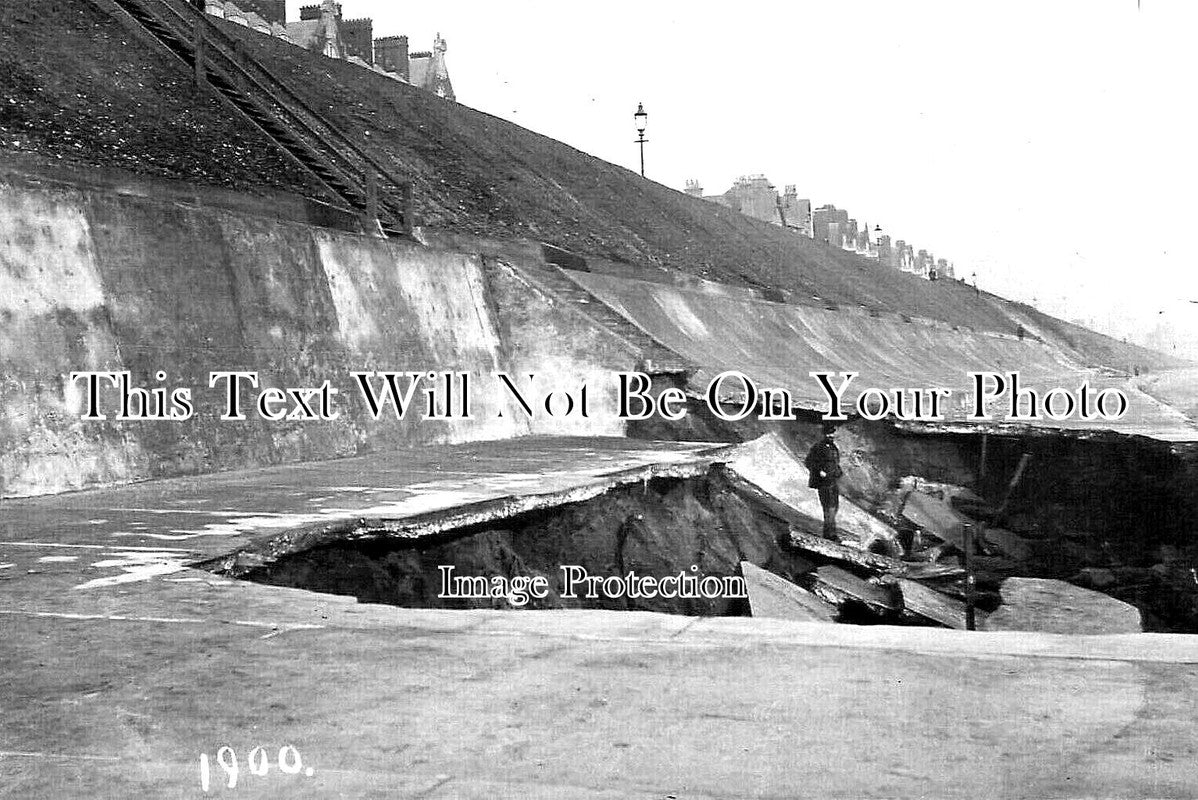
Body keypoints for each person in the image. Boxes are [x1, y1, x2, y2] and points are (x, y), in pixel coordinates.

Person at [805, 424, 843, 539]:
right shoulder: (819, 447)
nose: (831, 436)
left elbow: (834, 463)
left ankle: (830, 532)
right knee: (829, 507)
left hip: (833, 480)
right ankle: (830, 534)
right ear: (824, 434)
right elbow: (809, 461)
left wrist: (838, 471)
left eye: (832, 433)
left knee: (834, 507)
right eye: (828, 433)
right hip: (824, 482)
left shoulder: (833, 447)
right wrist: (820, 471)